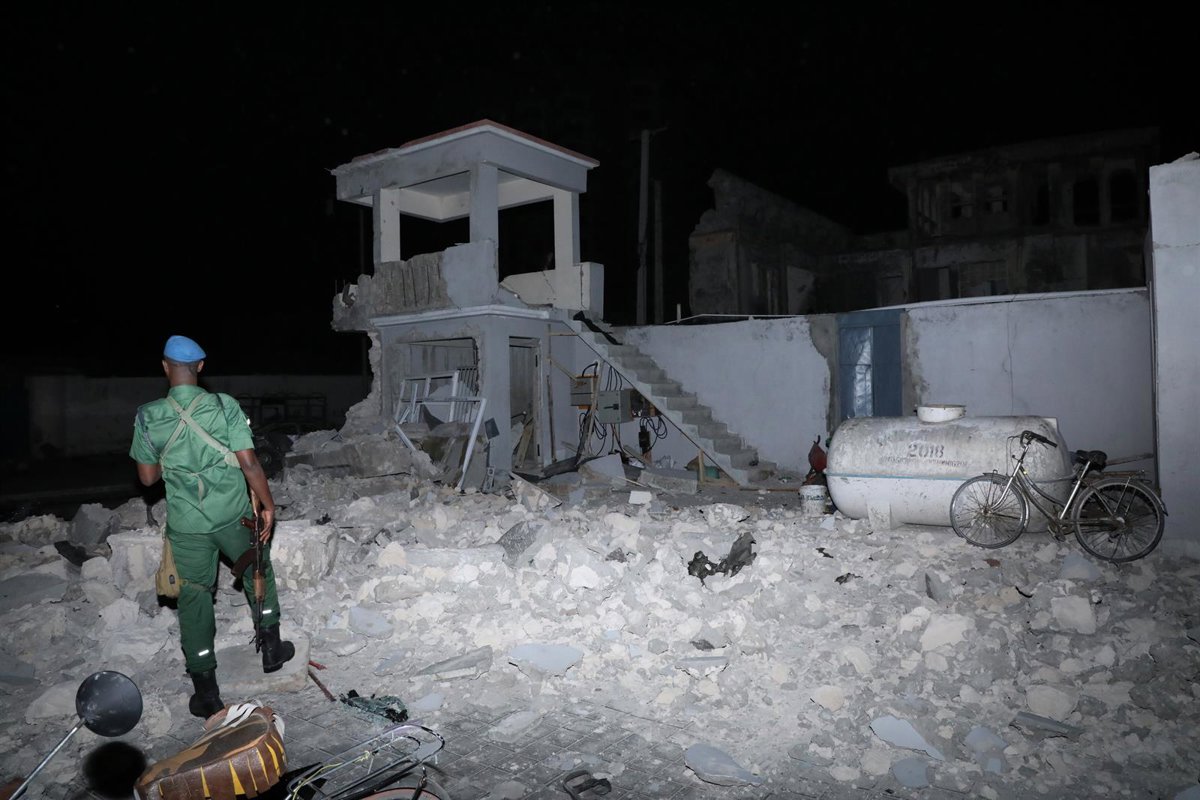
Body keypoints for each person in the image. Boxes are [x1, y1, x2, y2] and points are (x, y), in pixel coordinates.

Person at [129, 335, 294, 718]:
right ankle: (272, 649)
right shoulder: (224, 405)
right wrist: (268, 505)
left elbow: (148, 478)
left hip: (188, 525)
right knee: (257, 568)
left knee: (194, 596)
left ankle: (206, 691)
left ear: (165, 367)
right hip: (233, 515)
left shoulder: (148, 415)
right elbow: (249, 463)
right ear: (201, 367)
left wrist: (177, 458)